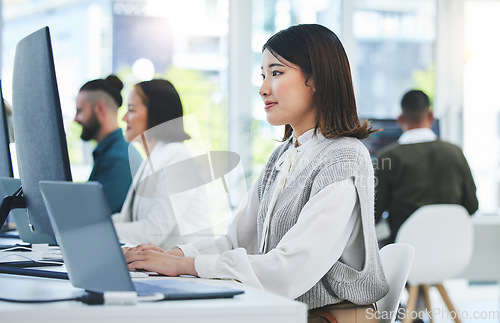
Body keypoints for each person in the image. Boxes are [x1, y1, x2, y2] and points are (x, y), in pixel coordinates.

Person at [123, 24, 389, 321]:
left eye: (276, 73)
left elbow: (290, 272)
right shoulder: (283, 155)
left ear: (317, 80)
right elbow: (234, 241)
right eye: (264, 75)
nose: (263, 88)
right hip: (284, 309)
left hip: (328, 316)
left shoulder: (344, 157)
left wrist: (187, 266)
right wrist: (176, 255)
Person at [112, 79, 211, 250]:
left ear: (154, 113)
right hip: (161, 269)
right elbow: (126, 219)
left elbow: (153, 232)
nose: (124, 117)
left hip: (186, 271)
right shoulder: (152, 160)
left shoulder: (177, 156)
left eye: (131, 109)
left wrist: (98, 229)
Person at [374, 90, 478, 246]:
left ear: (400, 118)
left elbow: (374, 214)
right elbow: (471, 206)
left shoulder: (386, 157)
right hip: (450, 248)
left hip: (406, 250)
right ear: (431, 116)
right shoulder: (455, 152)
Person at [74, 75, 142, 213]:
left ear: (100, 109)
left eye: (79, 111)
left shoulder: (117, 159)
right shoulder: (112, 152)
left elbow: (91, 216)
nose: (76, 119)